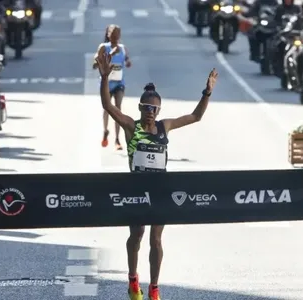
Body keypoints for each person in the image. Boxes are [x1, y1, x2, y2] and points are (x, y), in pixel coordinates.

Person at [95, 48, 218, 300]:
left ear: (159, 111)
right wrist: (105, 77)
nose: (150, 112)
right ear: (140, 108)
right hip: (136, 189)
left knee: (157, 240)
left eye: (154, 108)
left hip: (160, 190)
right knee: (136, 235)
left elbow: (195, 116)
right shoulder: (132, 126)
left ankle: (154, 287)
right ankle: (132, 280)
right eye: (146, 108)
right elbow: (108, 105)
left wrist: (207, 91)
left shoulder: (165, 126)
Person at [93, 24, 132, 150]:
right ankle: (105, 130)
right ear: (108, 34)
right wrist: (111, 53)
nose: (116, 36)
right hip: (107, 84)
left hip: (119, 83)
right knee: (107, 108)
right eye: (113, 34)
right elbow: (95, 64)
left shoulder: (123, 48)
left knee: (118, 109)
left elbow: (127, 60)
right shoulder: (103, 47)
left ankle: (117, 139)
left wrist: (128, 62)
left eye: (118, 34)